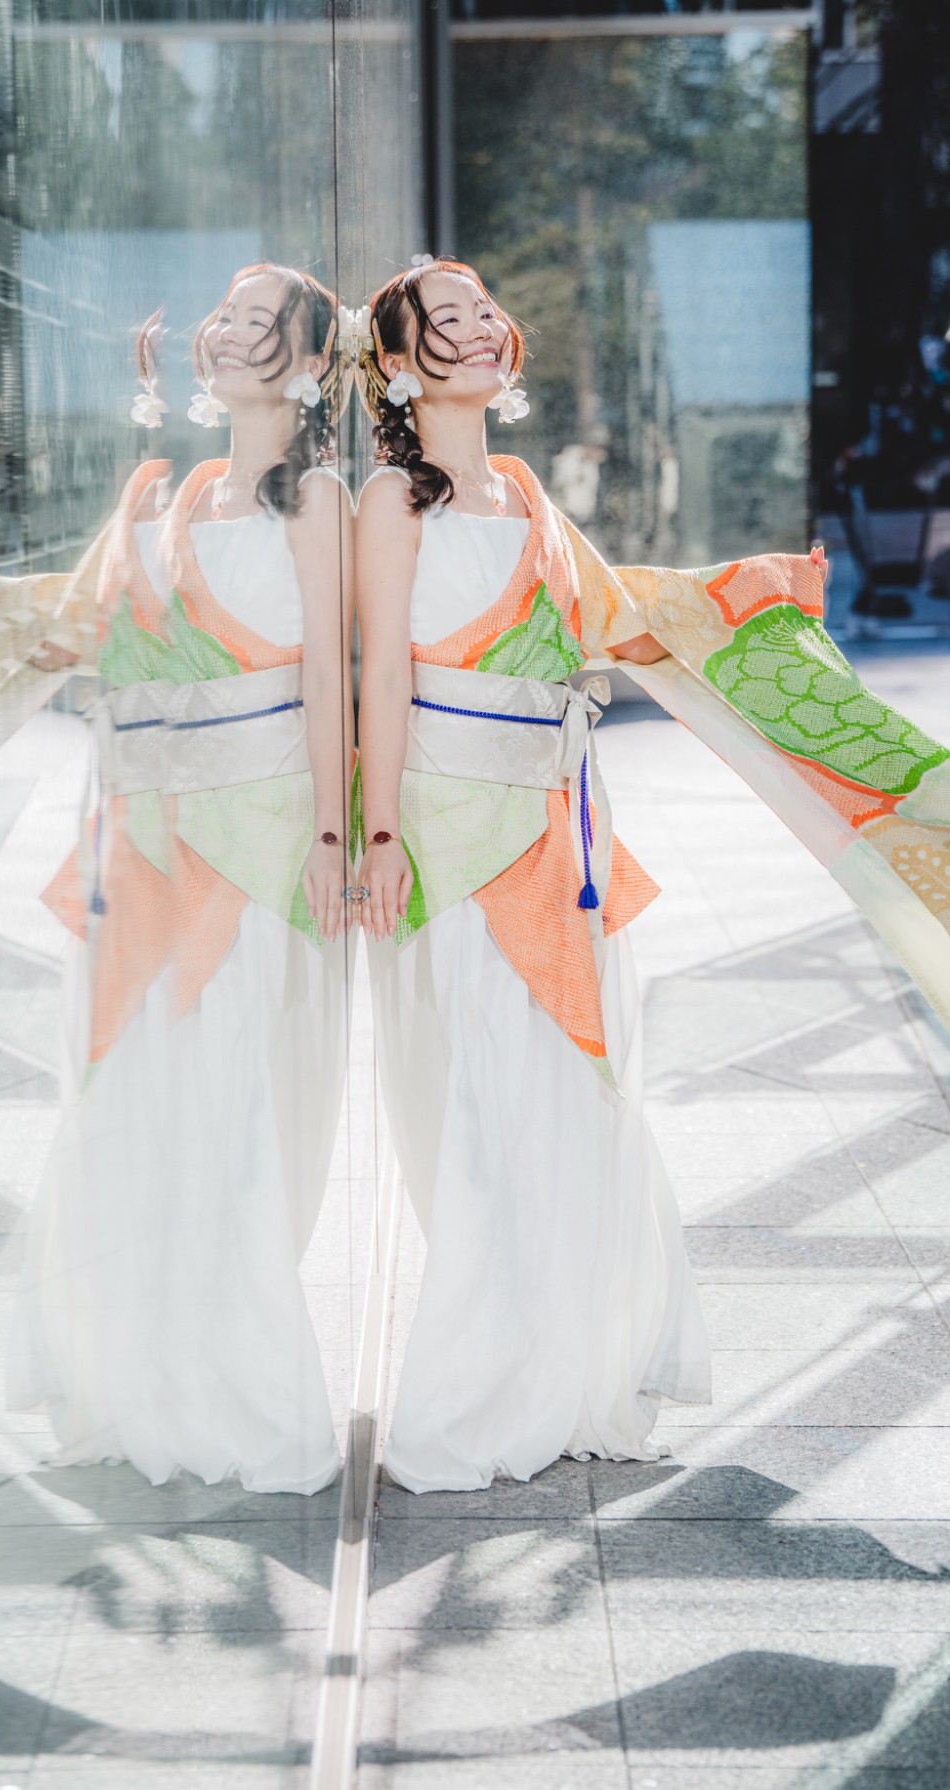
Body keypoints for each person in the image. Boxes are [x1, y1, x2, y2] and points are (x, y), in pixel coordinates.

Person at [352, 259, 950, 1494]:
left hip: (557, 833)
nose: (482, 326)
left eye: (484, 308)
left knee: (569, 1099)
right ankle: (484, 1383)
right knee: (485, 1105)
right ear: (398, 366)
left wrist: (752, 602)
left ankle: (570, 1371)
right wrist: (377, 834)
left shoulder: (527, 494)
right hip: (450, 839)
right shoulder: (389, 503)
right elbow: (382, 683)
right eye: (447, 318)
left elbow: (624, 616)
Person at [0, 264, 356, 1494]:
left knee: (226, 1098)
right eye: (224, 312)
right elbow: (95, 626)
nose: (228, 329)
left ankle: (234, 1374)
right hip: (135, 842)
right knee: (133, 1094)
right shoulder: (159, 494)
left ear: (312, 363)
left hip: (250, 843)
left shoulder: (319, 504)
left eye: (261, 320)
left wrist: (330, 835)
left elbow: (327, 682)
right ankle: (137, 1366)